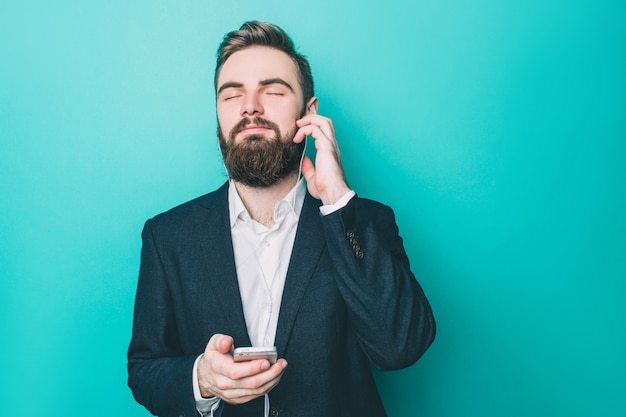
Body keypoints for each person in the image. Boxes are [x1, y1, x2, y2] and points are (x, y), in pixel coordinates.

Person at [127, 20, 436, 417]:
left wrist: (338, 202)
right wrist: (202, 377)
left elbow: (401, 346)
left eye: (272, 91)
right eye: (231, 94)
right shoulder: (167, 236)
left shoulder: (363, 222)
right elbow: (145, 368)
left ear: (309, 114)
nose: (249, 106)